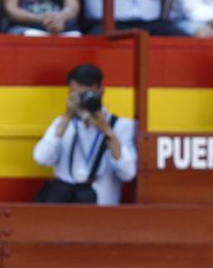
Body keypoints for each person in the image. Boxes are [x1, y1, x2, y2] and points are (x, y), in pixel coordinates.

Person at [31, 62, 138, 205]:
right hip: (64, 211)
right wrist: (66, 118)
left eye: (87, 95)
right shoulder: (62, 124)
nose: (82, 100)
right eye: (76, 95)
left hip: (102, 212)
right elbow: (41, 158)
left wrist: (108, 132)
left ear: (101, 92)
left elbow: (128, 173)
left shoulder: (121, 125)